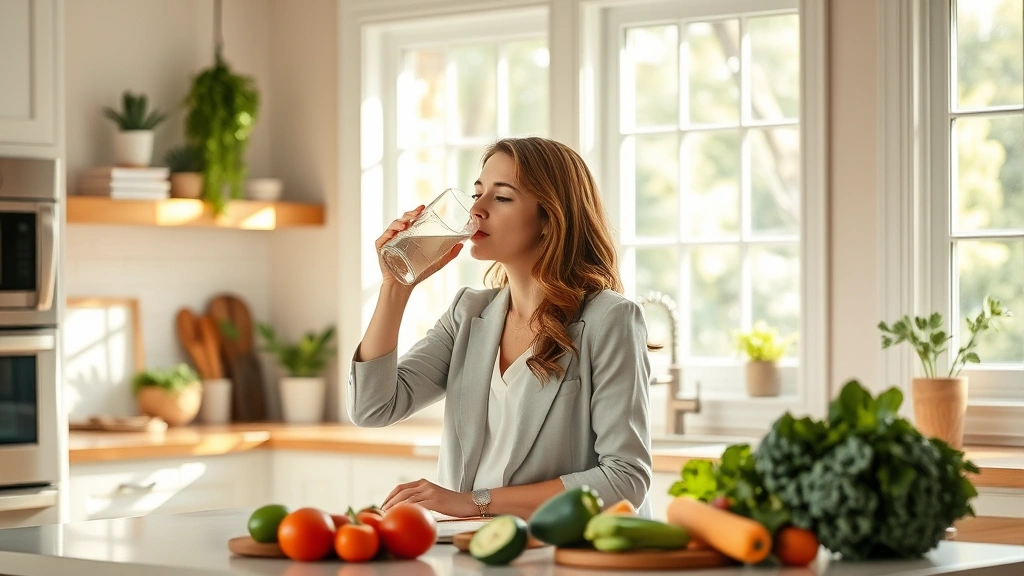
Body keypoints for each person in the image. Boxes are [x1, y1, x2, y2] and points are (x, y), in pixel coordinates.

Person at [348, 136, 653, 519]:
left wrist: (472, 501)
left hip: (567, 554)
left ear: (550, 218)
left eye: (502, 197)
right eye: (477, 193)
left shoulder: (610, 319)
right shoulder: (469, 312)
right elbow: (372, 408)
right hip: (475, 550)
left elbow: (625, 479)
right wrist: (396, 288)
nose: (476, 210)